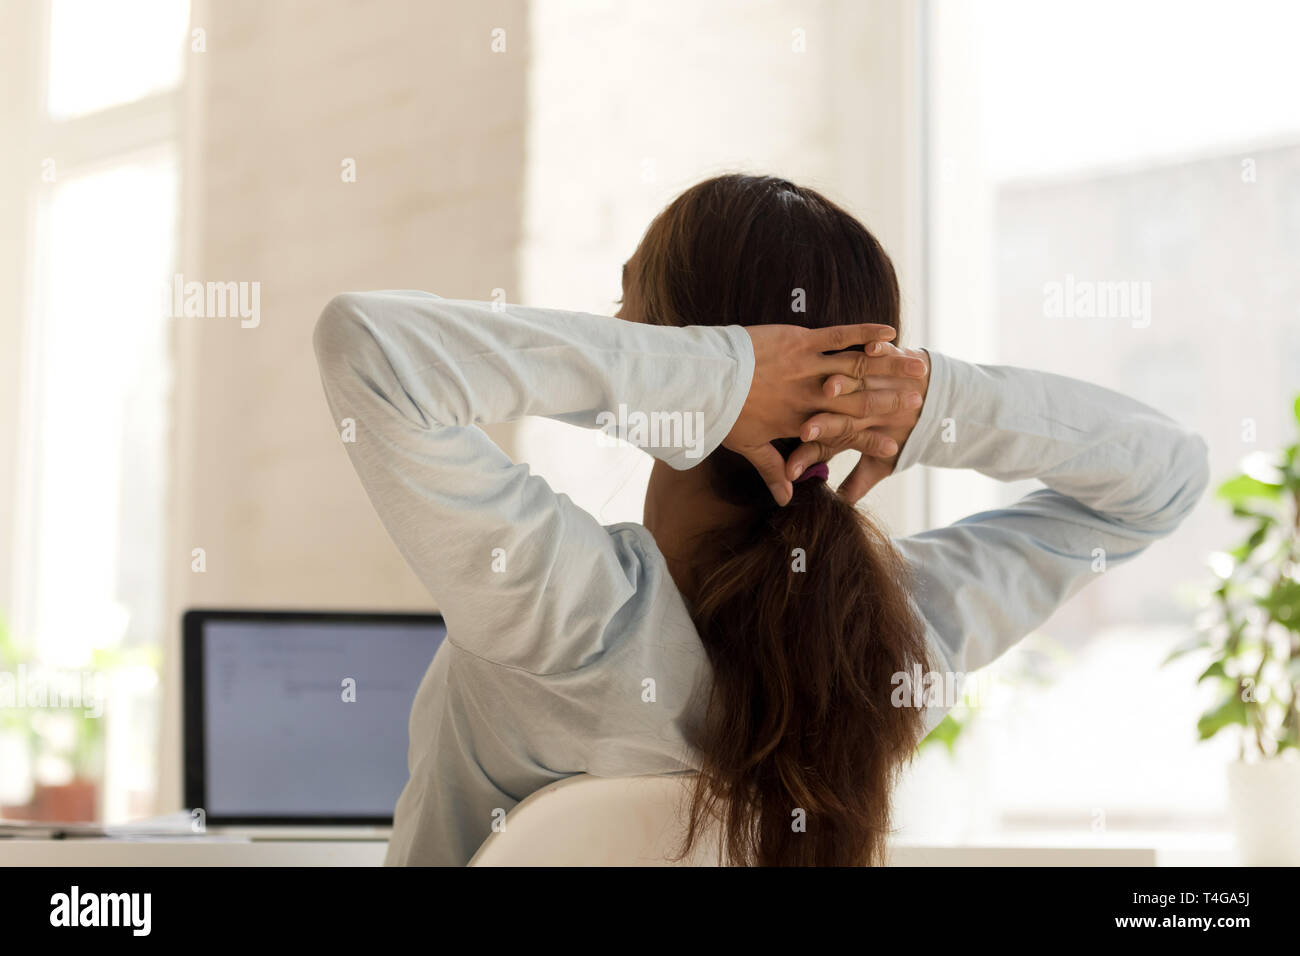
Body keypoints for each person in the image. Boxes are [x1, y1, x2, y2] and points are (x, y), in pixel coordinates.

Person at [311, 174, 1209, 866]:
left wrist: (708, 380)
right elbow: (1164, 478)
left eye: (637, 321)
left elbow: (374, 350)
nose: (618, 332)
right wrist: (932, 404)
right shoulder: (904, 639)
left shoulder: (564, 615)